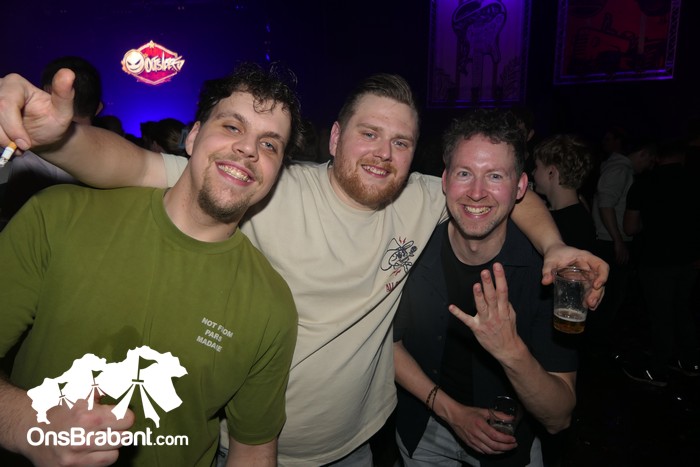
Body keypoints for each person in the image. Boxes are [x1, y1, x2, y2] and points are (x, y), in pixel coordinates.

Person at [0, 70, 608, 466]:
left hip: (360, 442)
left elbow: (504, 190)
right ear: (336, 138)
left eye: (400, 142)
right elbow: (133, 166)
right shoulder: (266, 184)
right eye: (369, 134)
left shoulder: (426, 197)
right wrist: (57, 137)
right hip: (247, 445)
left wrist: (554, 246)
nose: (384, 154)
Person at [0, 62, 300, 466]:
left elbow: (253, 448)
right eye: (232, 127)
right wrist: (29, 424)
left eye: (270, 145)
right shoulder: (58, 216)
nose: (249, 149)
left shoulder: (270, 305)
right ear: (193, 136)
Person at [393, 109, 577, 467]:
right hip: (423, 430)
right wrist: (453, 413)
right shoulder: (412, 249)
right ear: (445, 180)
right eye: (465, 173)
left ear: (521, 187)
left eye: (495, 176)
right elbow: (388, 344)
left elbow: (559, 417)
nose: (477, 193)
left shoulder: (545, 273)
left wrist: (510, 351)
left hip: (508, 444)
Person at [620, 141, 700, 386]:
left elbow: (630, 227)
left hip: (656, 260)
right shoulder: (694, 181)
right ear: (682, 157)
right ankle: (690, 361)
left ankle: (658, 370)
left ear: (657, 157)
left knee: (660, 315)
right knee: (683, 309)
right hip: (689, 259)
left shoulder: (644, 183)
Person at [0, 56, 103, 228]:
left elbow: (15, 225)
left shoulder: (32, 161)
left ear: (49, 92)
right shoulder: (122, 158)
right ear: (99, 107)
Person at [531, 134, 595, 252]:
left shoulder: (566, 225)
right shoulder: (579, 214)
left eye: (537, 167)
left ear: (551, 172)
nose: (533, 173)